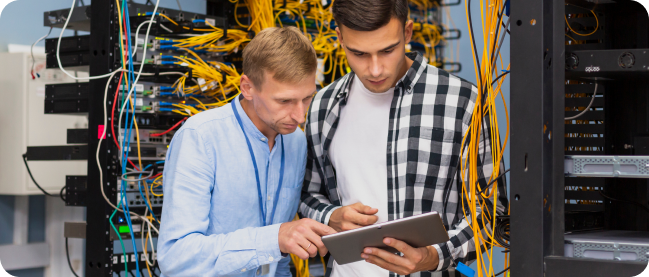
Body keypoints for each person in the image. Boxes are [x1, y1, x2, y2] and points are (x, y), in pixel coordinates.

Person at [299, 0, 508, 276]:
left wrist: (434, 256)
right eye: (358, 53)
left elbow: (493, 212)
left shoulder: (463, 102)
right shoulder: (323, 106)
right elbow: (308, 195)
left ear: (407, 33)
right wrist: (331, 216)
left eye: (387, 50)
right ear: (339, 37)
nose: (375, 69)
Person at [157, 26, 336, 276]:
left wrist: (279, 243)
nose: (300, 115)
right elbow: (176, 257)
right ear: (248, 87)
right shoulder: (200, 137)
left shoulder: (294, 141)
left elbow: (277, 261)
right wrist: (274, 238)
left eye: (306, 98)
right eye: (284, 101)